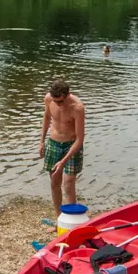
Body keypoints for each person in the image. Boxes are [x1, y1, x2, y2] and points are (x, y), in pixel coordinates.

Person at [41, 79, 85, 216]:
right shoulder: (49, 99)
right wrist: (41, 141)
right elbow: (47, 118)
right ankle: (59, 218)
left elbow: (80, 139)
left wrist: (63, 162)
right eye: (55, 102)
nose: (58, 104)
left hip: (72, 145)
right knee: (54, 181)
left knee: (68, 183)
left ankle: (72, 219)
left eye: (61, 101)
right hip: (54, 143)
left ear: (67, 95)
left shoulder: (77, 107)